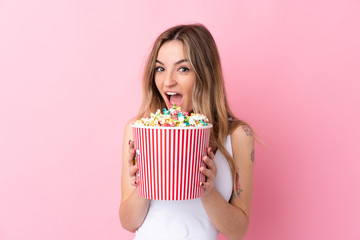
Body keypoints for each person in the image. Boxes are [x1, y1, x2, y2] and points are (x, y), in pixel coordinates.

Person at [119, 23, 256, 240]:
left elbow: (238, 231)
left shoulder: (238, 135)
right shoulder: (139, 129)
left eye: (183, 68)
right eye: (160, 68)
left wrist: (208, 190)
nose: (167, 81)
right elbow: (129, 222)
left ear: (205, 74)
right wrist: (144, 182)